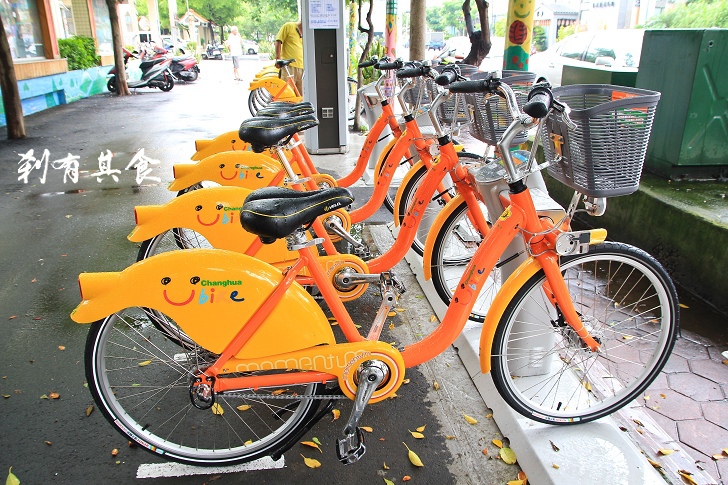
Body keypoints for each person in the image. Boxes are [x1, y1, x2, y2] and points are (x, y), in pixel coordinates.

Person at [275, 20, 304, 95]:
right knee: (287, 93)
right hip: (289, 66)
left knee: (300, 95)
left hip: (301, 67)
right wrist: (278, 59)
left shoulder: (306, 33)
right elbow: (278, 41)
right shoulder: (289, 26)